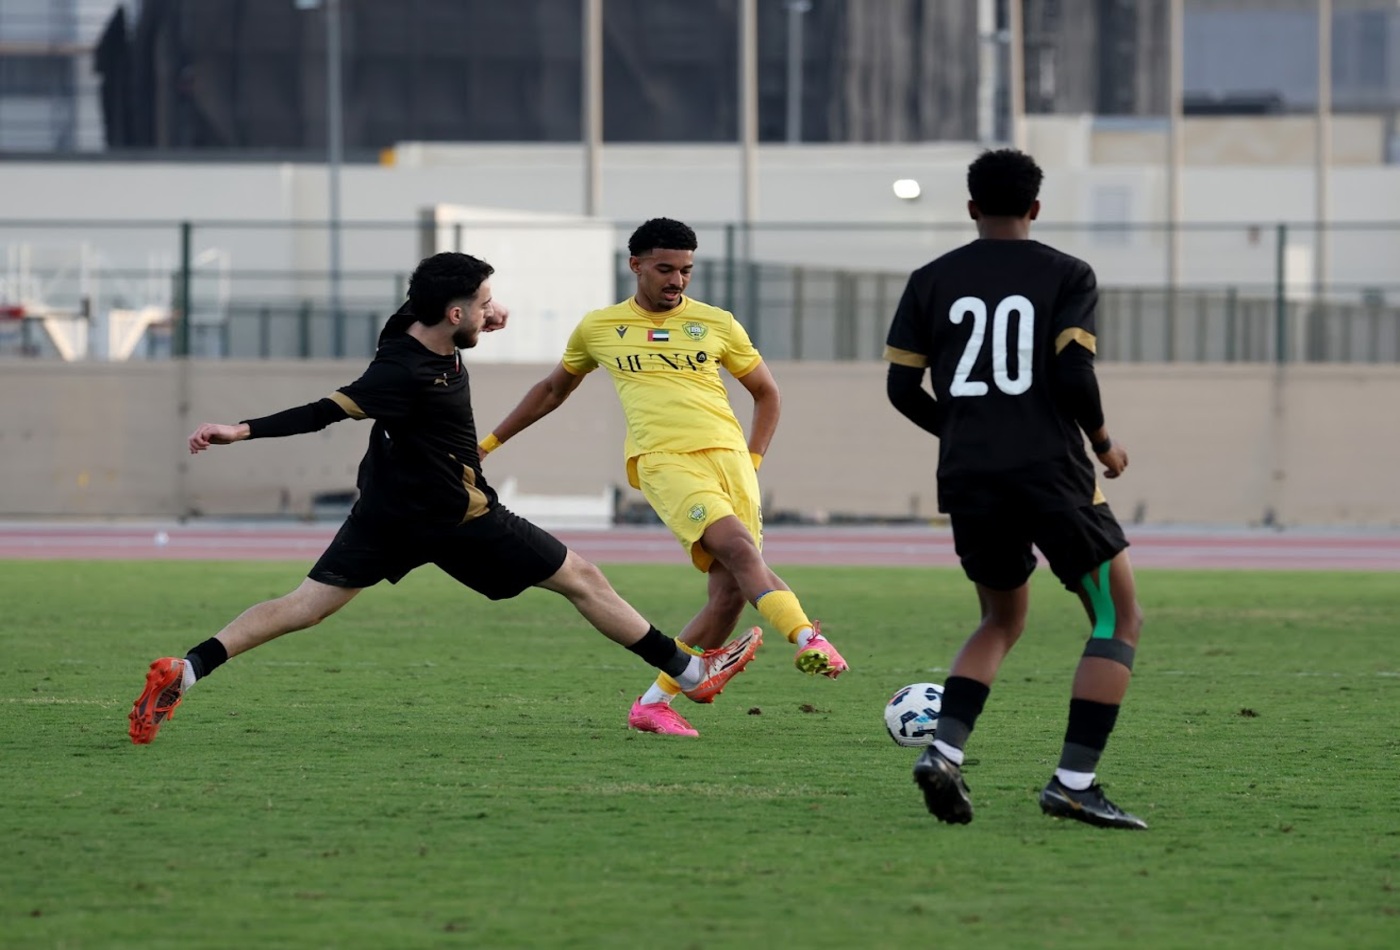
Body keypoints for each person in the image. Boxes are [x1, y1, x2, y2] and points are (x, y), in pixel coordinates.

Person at [128, 252, 760, 745]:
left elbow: (442, 314)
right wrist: (240, 430)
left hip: (384, 510)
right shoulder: (401, 373)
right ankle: (687, 672)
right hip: (458, 517)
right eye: (483, 304)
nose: (493, 311)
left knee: (303, 606)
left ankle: (183, 672)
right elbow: (326, 411)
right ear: (452, 314)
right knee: (584, 580)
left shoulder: (408, 326)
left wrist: (484, 315)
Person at [479, 217, 847, 738]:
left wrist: (753, 461)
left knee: (729, 595)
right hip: (664, 461)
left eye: (687, 271)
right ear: (636, 266)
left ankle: (653, 704)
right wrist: (488, 445)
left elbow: (768, 393)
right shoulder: (600, 327)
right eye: (666, 269)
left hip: (731, 463)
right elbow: (551, 391)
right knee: (741, 550)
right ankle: (808, 638)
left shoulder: (716, 322)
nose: (677, 280)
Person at [884, 149, 1147, 830]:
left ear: (971, 208)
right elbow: (1073, 374)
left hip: (970, 478)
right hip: (1049, 472)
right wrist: (1104, 442)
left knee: (1000, 619)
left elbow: (900, 388)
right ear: (1035, 208)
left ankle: (942, 752)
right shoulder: (1065, 273)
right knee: (1117, 617)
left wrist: (965, 432)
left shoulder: (930, 278)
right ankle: (1073, 782)